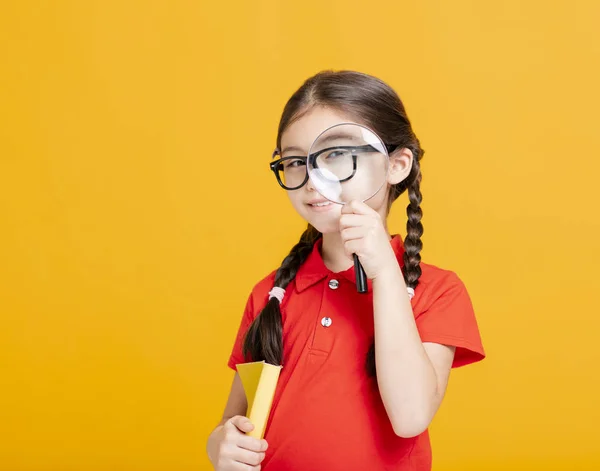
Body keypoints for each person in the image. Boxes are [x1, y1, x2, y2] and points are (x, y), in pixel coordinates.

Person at [206, 70, 485, 471]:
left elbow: (410, 418)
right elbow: (236, 422)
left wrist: (386, 275)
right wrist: (220, 444)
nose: (311, 179)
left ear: (397, 165)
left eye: (336, 154)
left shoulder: (437, 291)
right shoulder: (271, 293)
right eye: (295, 161)